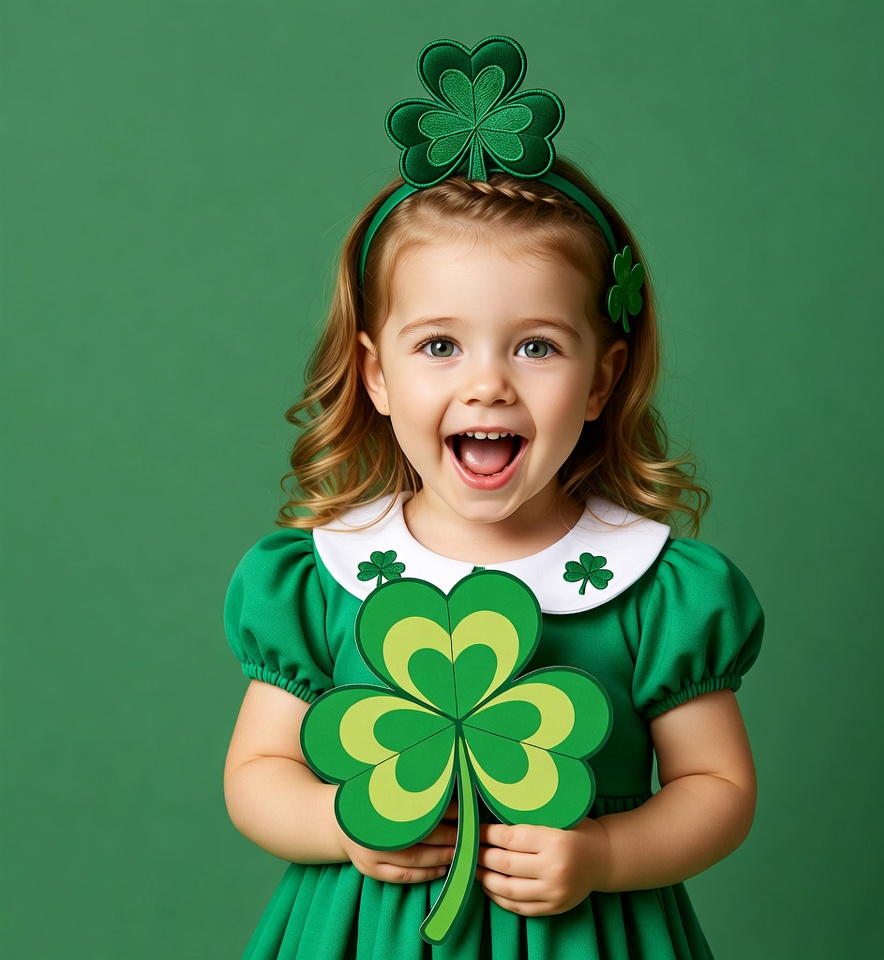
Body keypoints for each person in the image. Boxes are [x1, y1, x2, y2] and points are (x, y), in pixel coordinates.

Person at [223, 36, 763, 960]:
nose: (488, 386)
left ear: (601, 382)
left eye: (536, 346)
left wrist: (606, 854)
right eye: (440, 345)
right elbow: (257, 771)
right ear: (377, 375)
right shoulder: (323, 579)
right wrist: (338, 825)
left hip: (588, 935)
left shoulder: (654, 589)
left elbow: (718, 788)